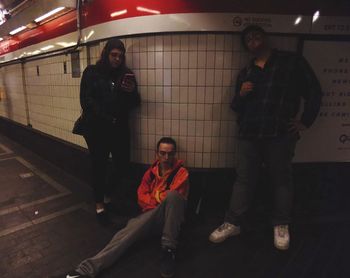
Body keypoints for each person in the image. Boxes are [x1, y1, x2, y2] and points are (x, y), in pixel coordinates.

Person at [209, 25, 322, 250]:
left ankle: (281, 224)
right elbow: (236, 107)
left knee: (281, 179)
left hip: (279, 133)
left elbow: (314, 91)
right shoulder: (246, 72)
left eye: (257, 37)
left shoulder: (291, 62)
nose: (253, 42)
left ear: (266, 38)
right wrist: (241, 94)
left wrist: (305, 122)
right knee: (244, 180)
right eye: (248, 40)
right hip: (248, 134)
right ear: (246, 46)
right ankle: (233, 222)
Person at [62, 137, 189, 278]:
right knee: (124, 236)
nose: (166, 157)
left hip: (169, 221)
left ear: (175, 154)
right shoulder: (151, 173)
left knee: (173, 197)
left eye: (170, 154)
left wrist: (155, 199)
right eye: (162, 153)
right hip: (149, 218)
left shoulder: (181, 173)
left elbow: (172, 200)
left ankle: (169, 250)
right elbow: (141, 197)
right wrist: (158, 200)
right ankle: (85, 270)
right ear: (157, 154)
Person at [80, 38, 140, 224]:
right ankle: (99, 205)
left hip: (119, 128)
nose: (117, 59)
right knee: (99, 166)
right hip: (97, 129)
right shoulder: (92, 72)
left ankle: (107, 195)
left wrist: (131, 92)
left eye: (120, 56)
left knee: (122, 164)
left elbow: (136, 103)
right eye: (114, 55)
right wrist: (107, 117)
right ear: (106, 54)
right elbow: (86, 100)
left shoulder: (126, 74)